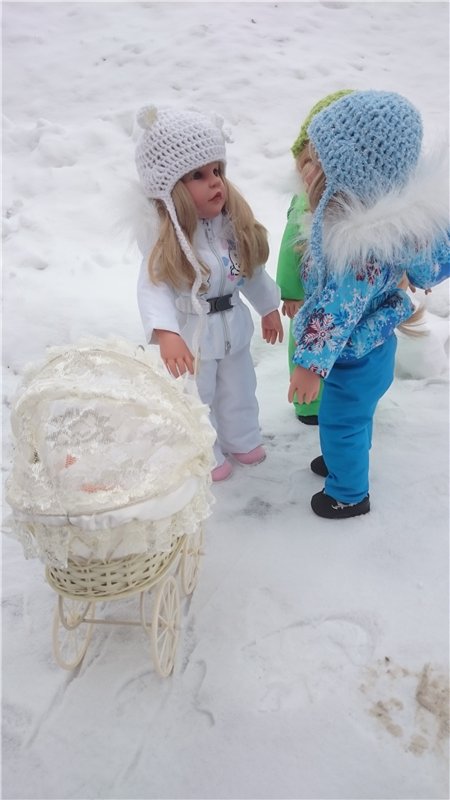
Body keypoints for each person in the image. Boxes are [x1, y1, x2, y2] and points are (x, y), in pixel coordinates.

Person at [287, 90, 449, 519]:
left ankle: (348, 491)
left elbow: (333, 314)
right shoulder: (376, 231)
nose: (306, 171)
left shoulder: (356, 251)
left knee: (342, 423)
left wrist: (308, 365)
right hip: (371, 351)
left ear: (351, 173)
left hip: (350, 358)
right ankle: (347, 455)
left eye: (315, 163)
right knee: (355, 420)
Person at [134, 105, 283, 483]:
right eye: (198, 175)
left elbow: (250, 272)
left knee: (239, 389)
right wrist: (166, 333)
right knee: (197, 396)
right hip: (193, 338)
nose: (215, 181)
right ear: (169, 191)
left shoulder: (231, 229)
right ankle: (204, 450)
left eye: (217, 170)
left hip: (233, 327)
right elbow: (153, 288)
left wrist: (267, 307)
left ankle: (241, 438)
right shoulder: (167, 242)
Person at [276, 90, 353, 425]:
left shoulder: (358, 215)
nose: (309, 172)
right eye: (305, 162)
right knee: (302, 345)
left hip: (347, 306)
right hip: (309, 300)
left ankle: (343, 401)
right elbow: (289, 247)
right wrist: (289, 291)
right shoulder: (301, 207)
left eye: (317, 164)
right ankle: (308, 405)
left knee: (345, 353)